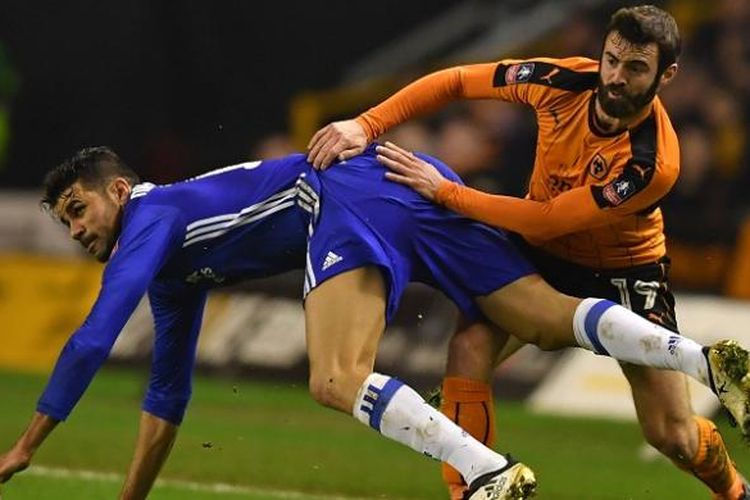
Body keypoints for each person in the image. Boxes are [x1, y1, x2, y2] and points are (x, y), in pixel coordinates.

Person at [0, 146, 746, 500]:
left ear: (119, 191)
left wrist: (24, 448)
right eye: (66, 219)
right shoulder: (175, 259)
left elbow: (95, 336)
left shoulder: (150, 221)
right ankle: (706, 361)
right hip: (402, 177)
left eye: (78, 210)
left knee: (334, 378)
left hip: (343, 194)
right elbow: (166, 395)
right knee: (546, 321)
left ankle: (487, 473)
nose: (75, 230)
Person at [305, 5, 749, 499]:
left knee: (673, 436)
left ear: (666, 76)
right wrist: (366, 125)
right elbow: (454, 81)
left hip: (626, 276)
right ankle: (476, 489)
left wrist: (447, 192)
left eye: (635, 68)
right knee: (469, 347)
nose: (616, 78)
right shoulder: (558, 80)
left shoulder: (653, 161)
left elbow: (550, 216)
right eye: (611, 60)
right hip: (543, 256)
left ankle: (733, 490)